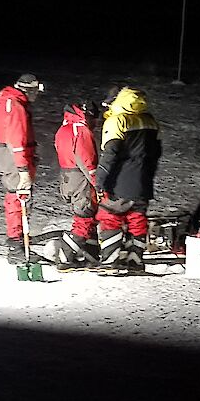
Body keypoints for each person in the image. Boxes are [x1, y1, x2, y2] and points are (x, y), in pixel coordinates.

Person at [96, 86, 161, 269]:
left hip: (120, 182)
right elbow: (157, 152)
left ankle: (110, 261)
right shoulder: (150, 120)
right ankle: (136, 260)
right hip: (144, 181)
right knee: (137, 218)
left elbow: (110, 154)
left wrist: (100, 180)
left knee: (110, 217)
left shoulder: (117, 121)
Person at [0, 73, 43, 263]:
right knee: (18, 200)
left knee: (16, 199)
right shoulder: (15, 106)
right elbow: (17, 141)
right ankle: (16, 247)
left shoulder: (10, 102)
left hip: (10, 157)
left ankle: (19, 241)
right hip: (14, 159)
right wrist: (23, 171)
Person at [50, 101, 101, 263]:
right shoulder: (80, 130)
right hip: (81, 180)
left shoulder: (64, 129)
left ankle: (91, 253)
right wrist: (98, 184)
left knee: (88, 216)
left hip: (68, 178)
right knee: (84, 219)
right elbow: (87, 161)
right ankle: (65, 256)